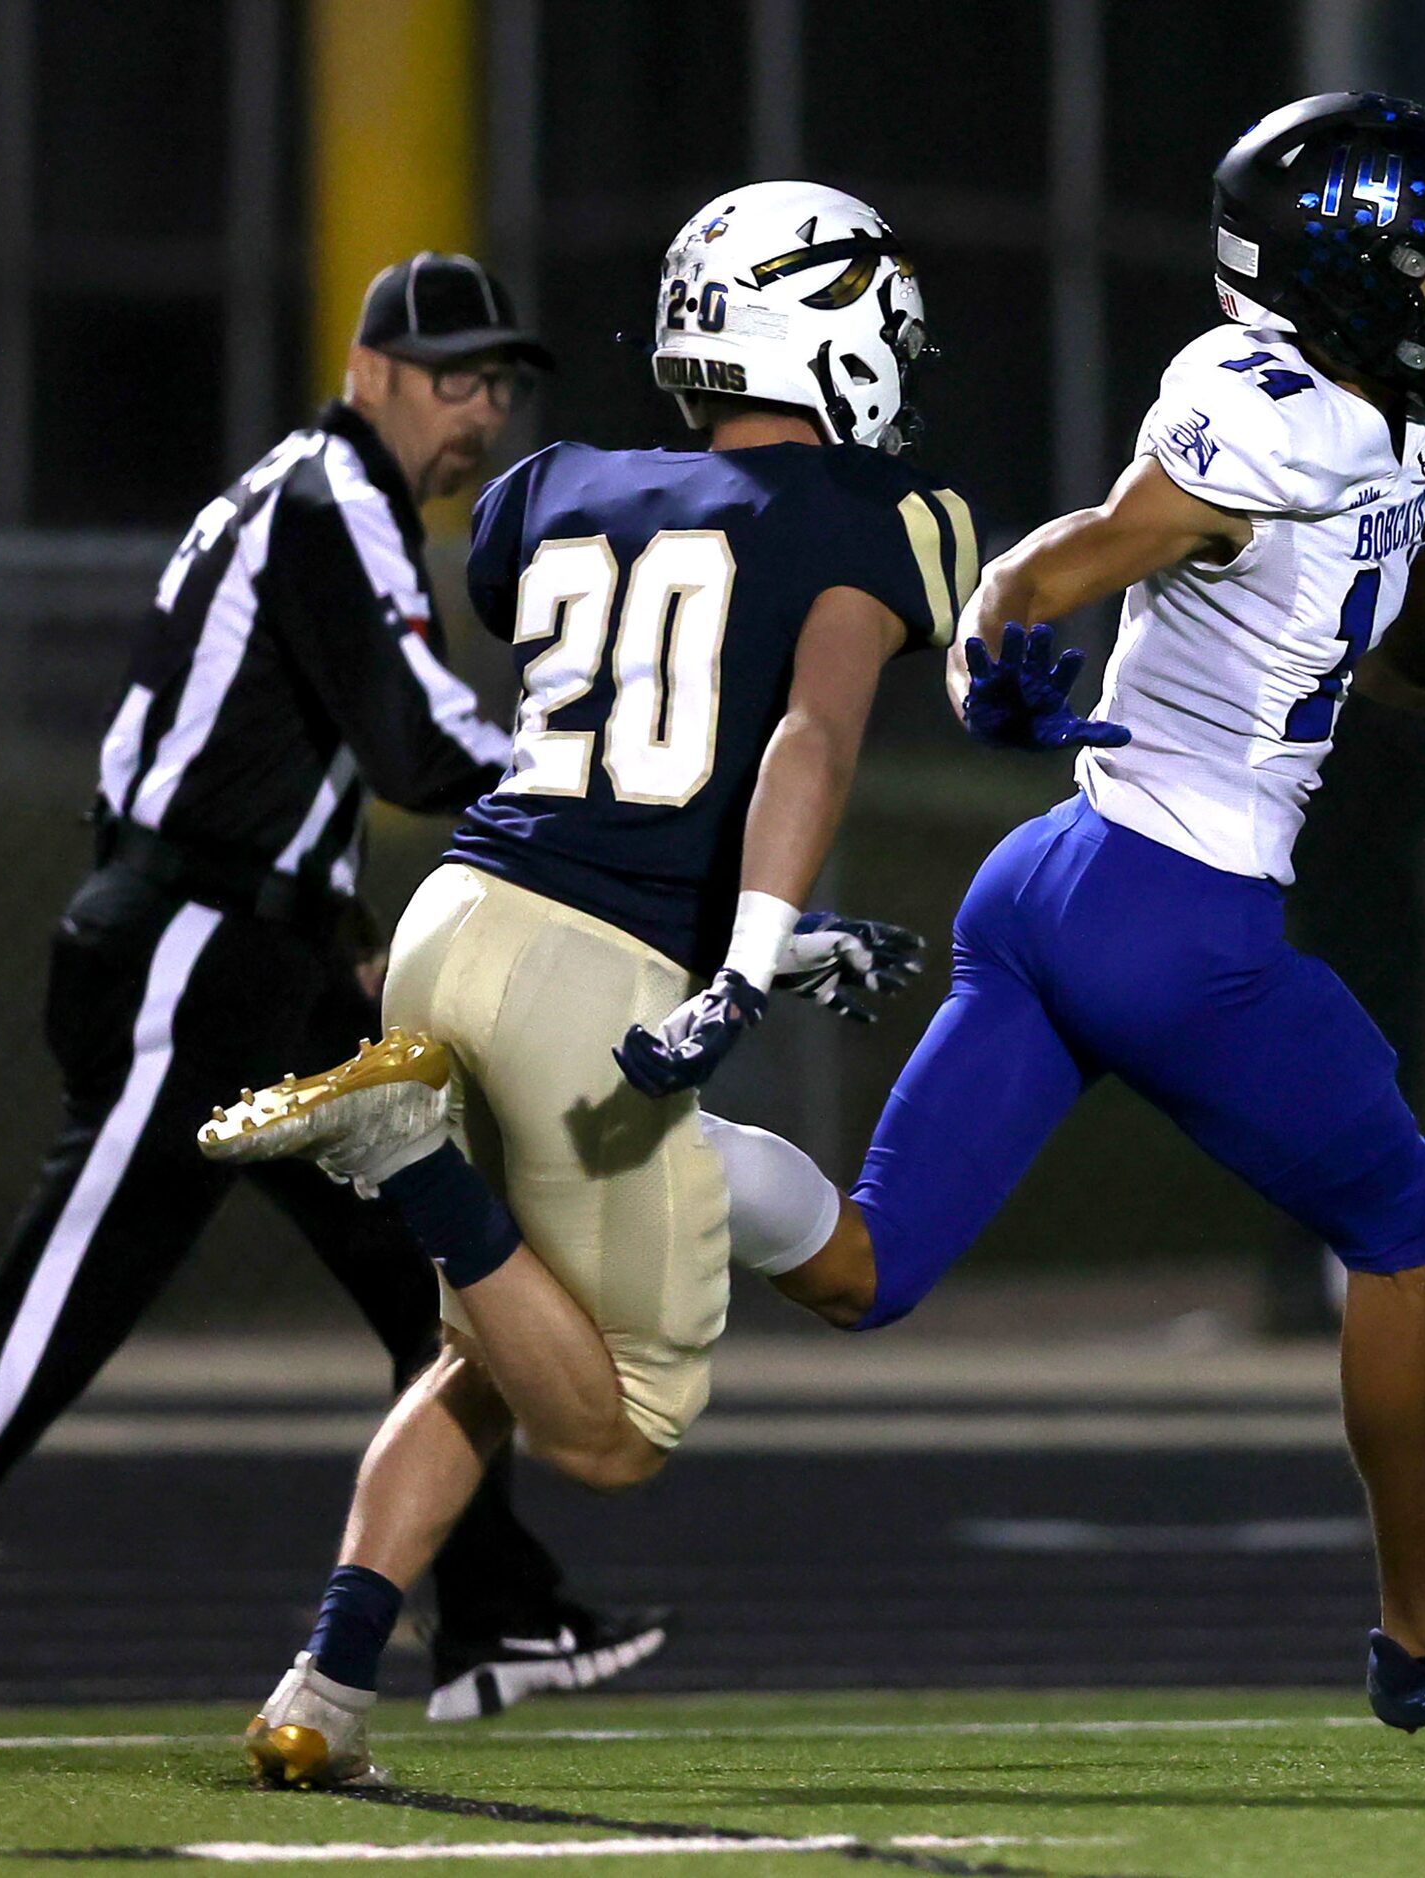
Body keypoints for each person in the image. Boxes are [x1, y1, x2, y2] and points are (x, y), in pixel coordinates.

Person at [214, 96, 1425, 1741]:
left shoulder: (1364, 415)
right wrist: (1003, 646)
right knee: (1415, 1227)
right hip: (1178, 921)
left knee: (867, 1271)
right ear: (1344, 278)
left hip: (1046, 887)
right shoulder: (1276, 421)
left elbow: (1323, 622)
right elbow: (1066, 557)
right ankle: (1422, 1630)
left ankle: (680, 1172)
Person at [203, 183, 977, 1789]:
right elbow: (803, 737)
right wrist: (756, 948)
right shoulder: (877, 514)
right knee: (609, 1427)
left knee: (492, 1351)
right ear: (831, 339)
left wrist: (765, 929)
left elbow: (626, 751)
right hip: (588, 972)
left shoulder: (556, 486)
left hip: (457, 909)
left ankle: (322, 1688)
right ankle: (406, 1157)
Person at [0, 251, 668, 1724]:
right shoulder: (334, 497)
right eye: (457, 377)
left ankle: (499, 1615)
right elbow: (412, 742)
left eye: (502, 383)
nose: (483, 411)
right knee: (44, 1325)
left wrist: (348, 937)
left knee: (458, 1282)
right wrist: (602, 781)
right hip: (195, 957)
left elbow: (299, 757)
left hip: (266, 960)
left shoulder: (325, 502)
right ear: (370, 366)